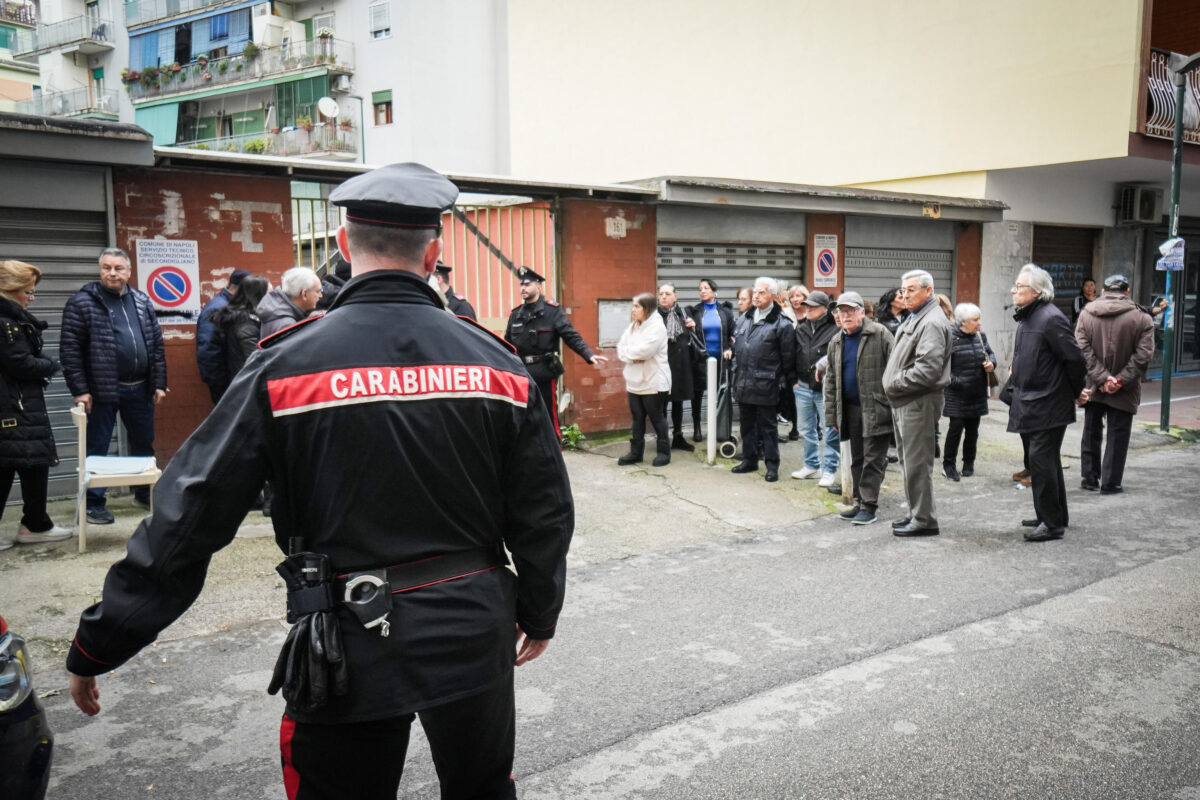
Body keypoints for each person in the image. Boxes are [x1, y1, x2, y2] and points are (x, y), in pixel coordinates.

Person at [66, 162, 574, 800]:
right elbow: (545, 509)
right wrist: (539, 610)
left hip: (348, 642)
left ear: (341, 244)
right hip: (474, 628)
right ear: (435, 250)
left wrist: (103, 638)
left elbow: (189, 513)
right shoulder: (495, 362)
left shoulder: (284, 365)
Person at [61, 247, 168, 526]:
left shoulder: (142, 301)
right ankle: (95, 502)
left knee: (144, 442)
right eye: (107, 267)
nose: (112, 273)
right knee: (97, 447)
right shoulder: (82, 303)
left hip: (140, 388)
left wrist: (159, 383)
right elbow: (70, 351)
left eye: (118, 268)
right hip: (101, 389)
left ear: (129, 271)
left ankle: (143, 493)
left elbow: (156, 346)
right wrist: (80, 390)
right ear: (100, 270)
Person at [1007, 263, 1087, 542]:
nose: (1013, 290)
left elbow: (1074, 359)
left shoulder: (1050, 318)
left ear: (1037, 291)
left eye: (1019, 286)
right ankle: (1052, 515)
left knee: (1040, 463)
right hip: (1032, 401)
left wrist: (1077, 391)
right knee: (1046, 462)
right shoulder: (1030, 317)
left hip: (1047, 403)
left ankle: (1051, 524)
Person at [0, 260, 71, 550]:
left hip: (17, 402)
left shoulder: (12, 319)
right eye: (28, 292)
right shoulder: (5, 323)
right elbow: (19, 362)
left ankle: (36, 523)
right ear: (10, 290)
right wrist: (51, 364)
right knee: (11, 465)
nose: (31, 298)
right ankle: (35, 524)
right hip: (12, 405)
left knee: (29, 463)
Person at [882, 269, 951, 537]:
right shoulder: (918, 317)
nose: (905, 295)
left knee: (918, 463)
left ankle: (923, 520)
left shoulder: (931, 321)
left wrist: (895, 384)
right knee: (909, 462)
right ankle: (916, 513)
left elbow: (928, 370)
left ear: (928, 291)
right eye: (903, 290)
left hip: (917, 401)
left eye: (911, 290)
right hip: (907, 400)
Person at [1074, 273, 1155, 495]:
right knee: (1118, 433)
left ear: (1103, 291)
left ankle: (1090, 478)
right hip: (1125, 387)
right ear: (1127, 292)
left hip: (1093, 383)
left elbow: (1082, 350)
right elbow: (1143, 355)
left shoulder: (1086, 314)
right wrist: (1118, 380)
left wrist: (1101, 377)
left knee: (1091, 429)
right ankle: (1111, 483)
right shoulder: (1142, 318)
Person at [505, 266, 607, 436]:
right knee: (523, 413)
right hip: (521, 371)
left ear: (539, 286)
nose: (523, 288)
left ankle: (555, 450)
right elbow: (507, 344)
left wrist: (588, 354)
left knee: (548, 413)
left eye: (527, 284)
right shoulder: (516, 314)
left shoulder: (552, 311)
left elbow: (570, 335)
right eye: (521, 285)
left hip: (544, 370)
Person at [823, 292, 894, 525]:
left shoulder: (880, 334)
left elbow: (895, 370)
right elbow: (831, 381)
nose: (845, 316)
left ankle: (869, 506)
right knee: (856, 458)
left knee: (873, 458)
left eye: (851, 311)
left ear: (862, 313)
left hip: (876, 406)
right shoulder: (836, 341)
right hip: (850, 408)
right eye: (841, 312)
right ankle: (859, 503)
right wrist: (832, 415)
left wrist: (891, 404)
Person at [730, 277, 796, 482]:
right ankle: (749, 460)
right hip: (743, 381)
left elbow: (788, 360)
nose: (756, 296)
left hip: (767, 384)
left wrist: (783, 386)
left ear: (773, 296)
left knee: (768, 428)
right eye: (755, 292)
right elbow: (736, 351)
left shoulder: (782, 324)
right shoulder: (743, 319)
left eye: (762, 293)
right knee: (746, 425)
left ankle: (772, 465)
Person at [941, 303, 996, 481]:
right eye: (975, 320)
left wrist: (991, 364)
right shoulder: (950, 337)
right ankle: (948, 465)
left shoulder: (980, 335)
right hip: (957, 394)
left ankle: (968, 463)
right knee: (955, 429)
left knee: (973, 430)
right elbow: (942, 367)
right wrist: (957, 382)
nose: (979, 323)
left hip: (977, 392)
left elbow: (990, 353)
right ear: (963, 322)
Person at [791, 290, 840, 485]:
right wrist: (793, 379)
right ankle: (812, 466)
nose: (807, 309)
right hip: (802, 385)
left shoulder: (835, 328)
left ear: (823, 309)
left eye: (812, 306)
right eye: (807, 306)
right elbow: (794, 353)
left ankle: (830, 469)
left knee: (830, 430)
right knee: (806, 428)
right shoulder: (801, 327)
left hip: (825, 388)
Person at [617, 292, 671, 466]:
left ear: (647, 309)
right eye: (633, 306)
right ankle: (636, 453)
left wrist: (632, 354)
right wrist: (631, 356)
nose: (633, 310)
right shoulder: (634, 326)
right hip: (634, 380)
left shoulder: (657, 327)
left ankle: (664, 453)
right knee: (637, 417)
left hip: (653, 380)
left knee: (657, 417)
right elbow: (622, 347)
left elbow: (646, 351)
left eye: (637, 306)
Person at [686, 279, 736, 443]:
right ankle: (697, 428)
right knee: (698, 395)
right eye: (700, 289)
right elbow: (691, 337)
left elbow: (732, 335)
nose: (702, 291)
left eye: (706, 288)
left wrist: (730, 349)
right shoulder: (695, 312)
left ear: (714, 291)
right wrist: (690, 326)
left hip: (721, 361)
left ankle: (720, 428)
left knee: (721, 394)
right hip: (701, 360)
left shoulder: (725, 311)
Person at [196, 268, 250, 402]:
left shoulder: (229, 305)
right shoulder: (219, 308)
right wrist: (219, 384)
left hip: (230, 379)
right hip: (225, 383)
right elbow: (208, 349)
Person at [657, 284, 696, 451]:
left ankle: (678, 437)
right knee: (661, 404)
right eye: (661, 294)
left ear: (675, 296)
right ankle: (663, 438)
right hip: (662, 366)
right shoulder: (654, 317)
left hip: (680, 365)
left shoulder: (684, 313)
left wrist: (694, 326)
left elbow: (694, 337)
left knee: (678, 402)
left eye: (667, 293)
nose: (664, 297)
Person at [211, 275, 270, 380]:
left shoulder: (243, 317)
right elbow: (254, 360)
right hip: (248, 383)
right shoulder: (246, 322)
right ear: (258, 296)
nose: (273, 299)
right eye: (269, 294)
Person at [257, 266, 323, 340]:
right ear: (304, 294)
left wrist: (306, 321)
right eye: (318, 291)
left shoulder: (277, 309)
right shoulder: (286, 326)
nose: (321, 295)